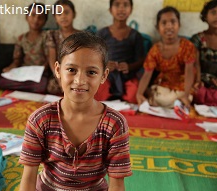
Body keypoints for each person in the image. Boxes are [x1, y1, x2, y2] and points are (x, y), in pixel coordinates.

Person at [18, 32, 132, 191]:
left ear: (104, 75)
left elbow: (117, 184)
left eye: (91, 72)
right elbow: (28, 177)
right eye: (71, 69)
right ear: (58, 70)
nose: (80, 81)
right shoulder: (40, 120)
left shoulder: (114, 124)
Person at [136, 6, 196, 109]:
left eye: (173, 22)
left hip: (182, 87)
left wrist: (186, 95)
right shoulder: (155, 50)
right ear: (157, 27)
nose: (169, 27)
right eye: (164, 23)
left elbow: (189, 72)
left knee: (184, 98)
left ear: (179, 25)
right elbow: (147, 74)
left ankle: (177, 102)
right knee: (158, 96)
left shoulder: (187, 46)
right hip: (163, 86)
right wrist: (139, 94)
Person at [97, 0, 145, 103]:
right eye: (117, 5)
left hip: (127, 76)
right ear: (110, 10)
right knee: (98, 93)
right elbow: (92, 57)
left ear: (131, 9)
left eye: (125, 5)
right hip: (106, 76)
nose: (121, 8)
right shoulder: (102, 34)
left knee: (133, 96)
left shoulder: (135, 36)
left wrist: (129, 66)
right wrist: (105, 65)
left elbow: (141, 61)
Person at [0, 3, 49, 93]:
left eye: (40, 17)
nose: (36, 20)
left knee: (42, 85)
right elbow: (17, 60)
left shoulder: (47, 37)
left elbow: (49, 59)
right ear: (26, 17)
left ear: (45, 21)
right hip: (23, 73)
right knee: (2, 81)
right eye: (33, 15)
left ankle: (25, 87)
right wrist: (10, 68)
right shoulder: (21, 38)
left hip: (39, 74)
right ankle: (28, 87)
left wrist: (41, 71)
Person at [46, 0, 79, 95]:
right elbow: (52, 59)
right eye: (59, 14)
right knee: (52, 87)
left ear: (74, 14)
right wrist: (59, 78)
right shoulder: (52, 35)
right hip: (59, 73)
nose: (63, 16)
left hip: (77, 72)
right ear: (55, 17)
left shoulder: (82, 35)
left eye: (67, 12)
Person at [190, 0, 217, 106]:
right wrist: (198, 80)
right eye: (213, 12)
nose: (216, 16)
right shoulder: (197, 39)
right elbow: (195, 65)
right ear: (205, 16)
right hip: (202, 81)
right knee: (197, 92)